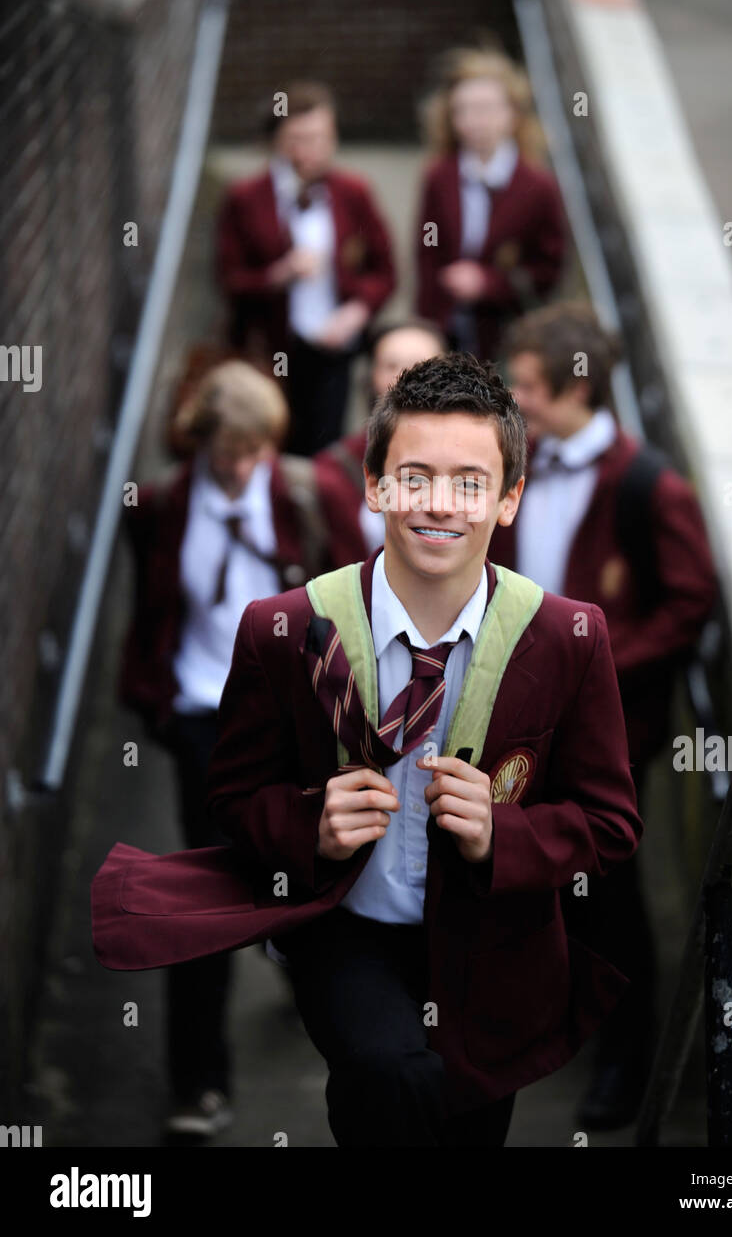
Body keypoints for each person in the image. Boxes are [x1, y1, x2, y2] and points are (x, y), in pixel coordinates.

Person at [94, 352, 642, 1148]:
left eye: (470, 482)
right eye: (413, 476)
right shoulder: (284, 630)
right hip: (349, 932)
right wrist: (310, 823)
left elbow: (610, 822)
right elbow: (235, 800)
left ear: (510, 498)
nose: (439, 504)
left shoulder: (568, 636)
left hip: (494, 951)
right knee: (391, 1073)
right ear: (375, 485)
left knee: (465, 1121)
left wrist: (501, 832)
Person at [118, 359, 363, 1140]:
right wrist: (155, 702)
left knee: (306, 872)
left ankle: (299, 965)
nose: (239, 466)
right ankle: (198, 1082)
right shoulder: (160, 507)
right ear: (200, 441)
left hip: (296, 723)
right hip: (202, 719)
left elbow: (355, 598)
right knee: (209, 894)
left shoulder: (307, 495)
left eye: (254, 449)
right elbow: (151, 612)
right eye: (226, 450)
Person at [490, 304, 718, 1128]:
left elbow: (691, 600)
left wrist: (596, 669)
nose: (513, 398)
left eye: (526, 385)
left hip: (607, 733)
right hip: (519, 720)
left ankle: (628, 1057)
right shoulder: (520, 463)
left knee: (610, 896)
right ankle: (554, 1021)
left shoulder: (649, 485)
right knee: (534, 876)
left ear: (575, 390)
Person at [215, 81, 397, 456]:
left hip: (335, 346)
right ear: (276, 141)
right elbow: (228, 279)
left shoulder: (353, 192)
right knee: (271, 442)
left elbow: (385, 271)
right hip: (272, 348)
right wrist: (278, 275)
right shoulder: (245, 197)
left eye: (323, 137)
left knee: (326, 448)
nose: (313, 149)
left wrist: (356, 312)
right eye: (300, 138)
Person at [415, 48, 566, 363]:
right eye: (462, 110)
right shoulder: (440, 176)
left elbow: (547, 272)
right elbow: (426, 253)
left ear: (511, 114)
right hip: (447, 329)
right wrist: (428, 325)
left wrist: (488, 283)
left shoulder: (538, 187)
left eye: (483, 109)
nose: (472, 121)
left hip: (507, 336)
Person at [314, 317, 449, 556]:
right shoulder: (333, 470)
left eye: (422, 366)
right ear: (372, 376)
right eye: (391, 365)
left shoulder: (482, 461)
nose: (405, 378)